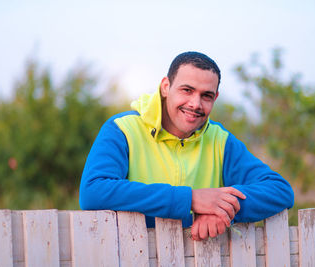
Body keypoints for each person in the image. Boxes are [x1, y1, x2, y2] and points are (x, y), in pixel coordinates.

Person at [79, 51, 294, 241]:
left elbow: (280, 190)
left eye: (206, 95)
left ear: (215, 98)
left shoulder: (220, 140)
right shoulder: (122, 129)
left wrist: (221, 208)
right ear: (166, 87)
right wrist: (191, 199)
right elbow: (93, 191)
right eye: (187, 90)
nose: (195, 104)